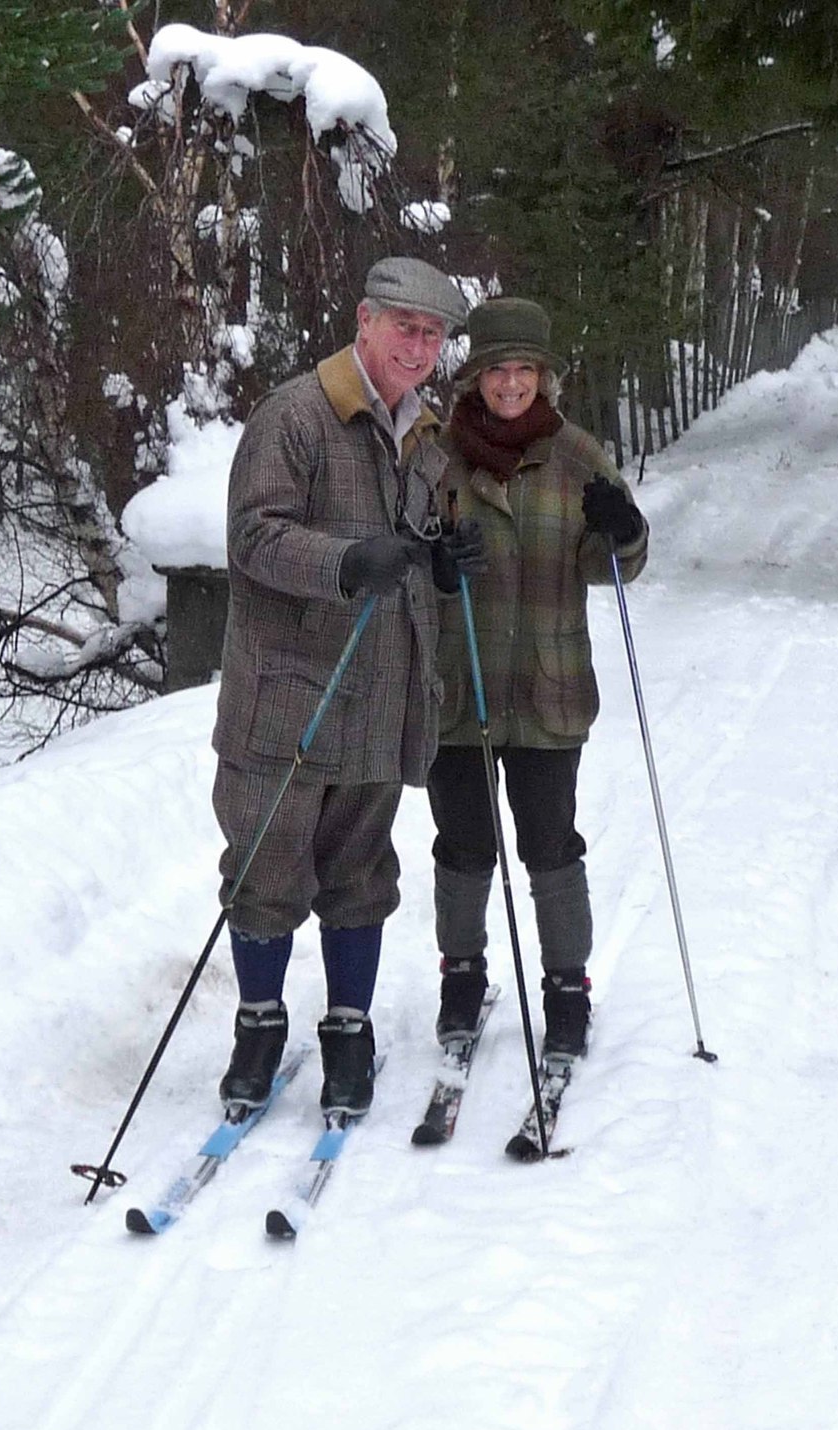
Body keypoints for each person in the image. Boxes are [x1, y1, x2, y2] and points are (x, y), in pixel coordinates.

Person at [211, 257, 483, 1119]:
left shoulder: (426, 433)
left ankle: (348, 1030)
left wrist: (439, 567)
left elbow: (415, 540)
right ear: (365, 321)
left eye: (433, 334)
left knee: (361, 872)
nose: (419, 345)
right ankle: (258, 1026)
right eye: (405, 326)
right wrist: (341, 564)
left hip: (382, 692)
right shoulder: (295, 415)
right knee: (265, 871)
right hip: (288, 697)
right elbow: (253, 537)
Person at [428, 296, 648, 1062]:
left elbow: (611, 562)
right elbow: (409, 554)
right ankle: (461, 973)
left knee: (550, 842)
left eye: (525, 370)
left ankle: (565, 986)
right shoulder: (436, 457)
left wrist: (624, 530)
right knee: (461, 842)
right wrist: (431, 564)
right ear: (475, 378)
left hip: (548, 687)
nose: (512, 384)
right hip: (459, 687)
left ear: (545, 377)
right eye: (498, 371)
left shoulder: (578, 454)